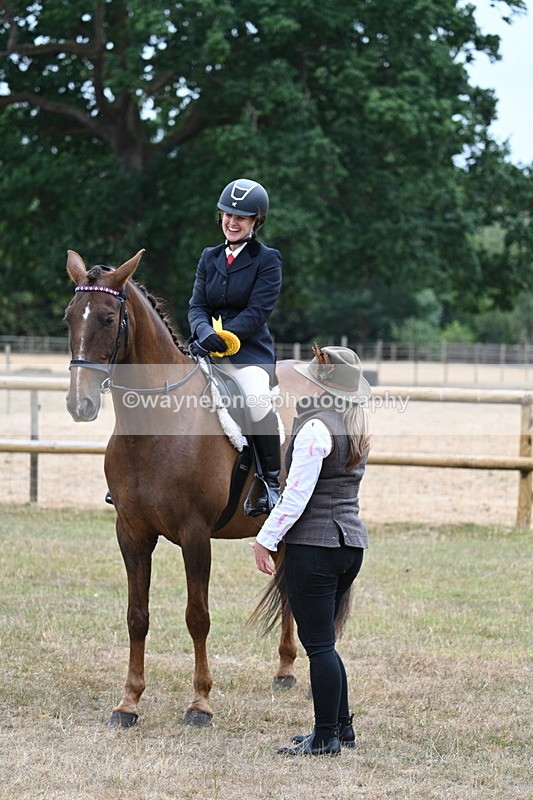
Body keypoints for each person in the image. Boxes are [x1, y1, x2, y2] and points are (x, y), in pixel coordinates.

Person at [251, 345, 372, 756]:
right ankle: (342, 728)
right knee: (325, 644)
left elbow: (296, 494)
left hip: (314, 547)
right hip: (350, 545)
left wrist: (266, 538)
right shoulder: (355, 426)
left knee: (318, 646)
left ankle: (324, 738)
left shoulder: (316, 428)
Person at [188, 178, 283, 516]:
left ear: (256, 221)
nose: (232, 221)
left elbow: (258, 312)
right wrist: (202, 331)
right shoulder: (209, 256)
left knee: (256, 399)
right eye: (228, 214)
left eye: (241, 217)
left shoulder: (267, 260)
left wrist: (225, 337)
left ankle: (270, 482)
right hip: (204, 347)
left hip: (248, 354)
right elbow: (197, 305)